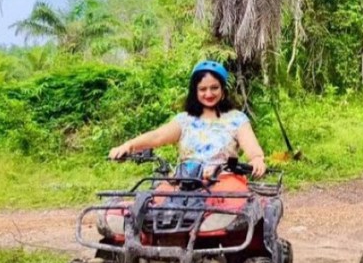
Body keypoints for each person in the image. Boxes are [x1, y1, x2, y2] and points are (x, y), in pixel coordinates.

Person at [108, 60, 267, 178]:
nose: (209, 94)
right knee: (152, 209)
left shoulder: (237, 119)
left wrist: (257, 159)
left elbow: (252, 148)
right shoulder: (185, 120)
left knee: (221, 219)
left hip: (225, 183)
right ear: (195, 92)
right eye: (202, 89)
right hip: (185, 182)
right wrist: (129, 146)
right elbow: (157, 136)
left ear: (223, 91)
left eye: (214, 88)